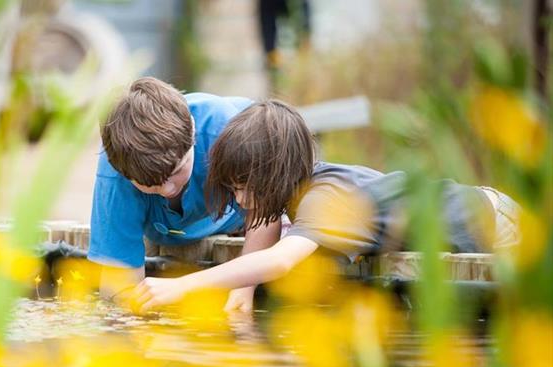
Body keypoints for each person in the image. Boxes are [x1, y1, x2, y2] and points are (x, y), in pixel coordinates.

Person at [134, 100, 519, 311]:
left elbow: (281, 260)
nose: (239, 200)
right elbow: (265, 223)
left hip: (497, 223)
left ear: (273, 174)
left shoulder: (322, 199)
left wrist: (184, 287)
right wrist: (242, 291)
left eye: (243, 187)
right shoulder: (302, 187)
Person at [89, 78, 281, 311]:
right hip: (168, 229)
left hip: (239, 212)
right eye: (150, 186)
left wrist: (244, 288)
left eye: (177, 170)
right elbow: (118, 288)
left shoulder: (226, 128)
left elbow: (266, 211)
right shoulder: (115, 173)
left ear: (192, 129)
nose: (169, 190)